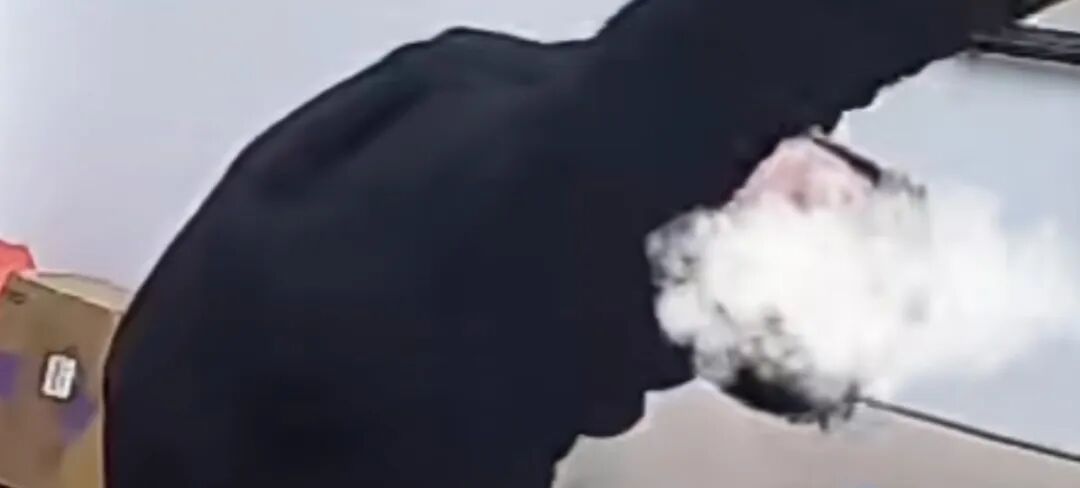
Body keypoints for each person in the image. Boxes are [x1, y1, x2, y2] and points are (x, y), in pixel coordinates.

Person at [103, 0, 1013, 486]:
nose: (781, 189)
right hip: (188, 391)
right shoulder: (566, 134)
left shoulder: (595, 234)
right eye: (825, 188)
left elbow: (774, 35)